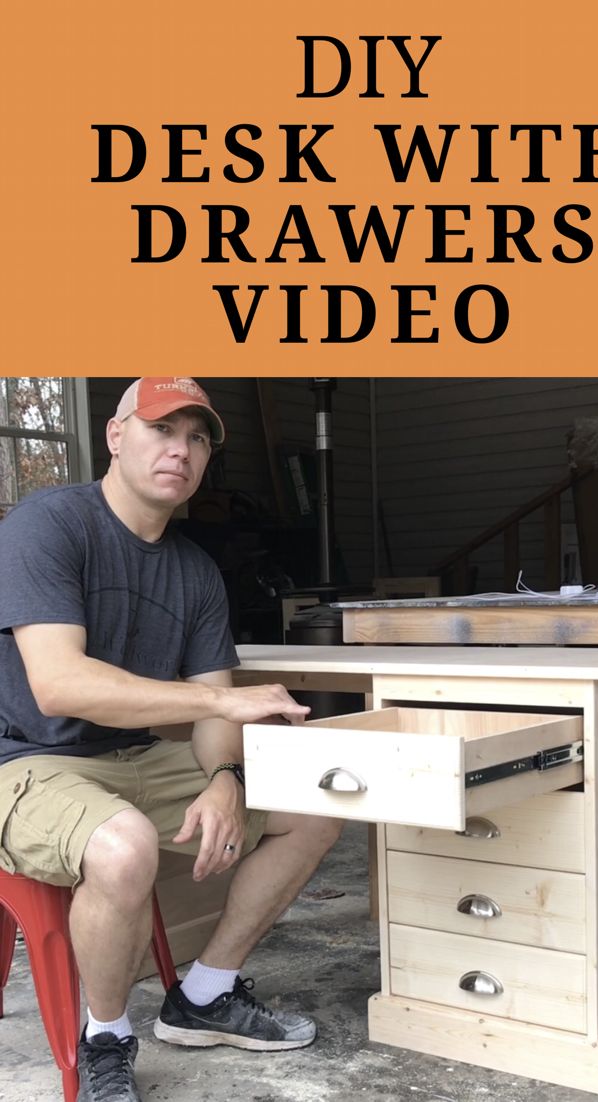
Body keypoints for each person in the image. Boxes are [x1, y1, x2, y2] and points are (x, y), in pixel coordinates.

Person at [0, 377, 343, 1102]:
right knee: (123, 848)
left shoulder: (194, 571)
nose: (179, 451)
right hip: (27, 759)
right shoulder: (49, 525)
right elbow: (59, 685)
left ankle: (205, 996)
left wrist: (224, 777)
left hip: (134, 758)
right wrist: (221, 701)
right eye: (161, 430)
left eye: (196, 439)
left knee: (314, 807)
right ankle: (107, 1035)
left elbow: (214, 713)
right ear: (117, 437)